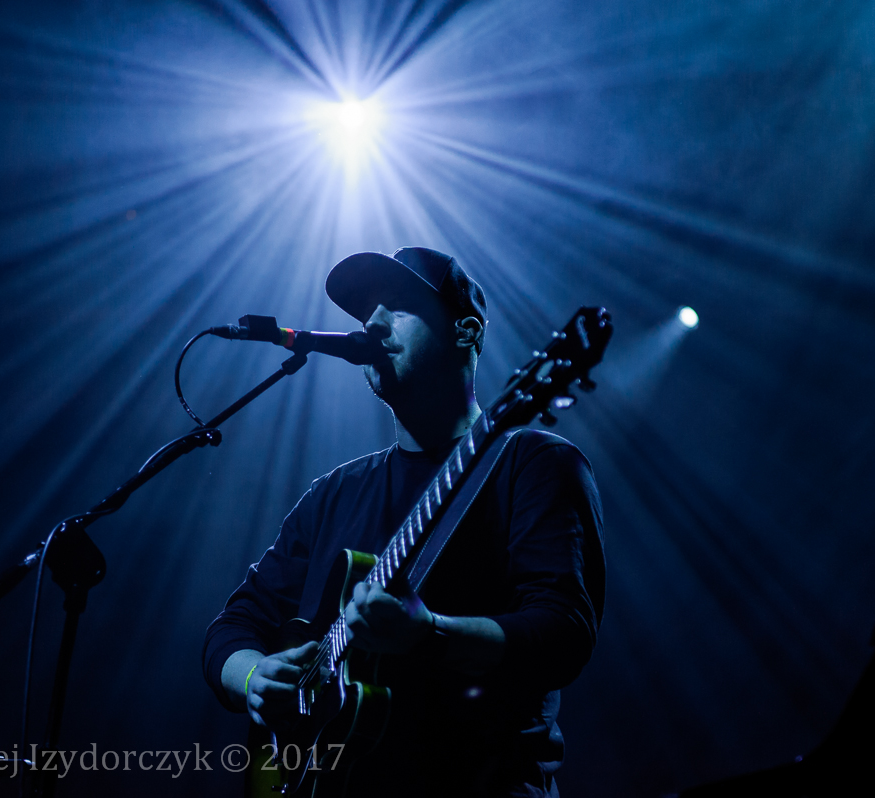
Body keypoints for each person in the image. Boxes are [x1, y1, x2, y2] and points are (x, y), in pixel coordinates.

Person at [203, 247, 605, 797]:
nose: (371, 324)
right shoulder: (333, 494)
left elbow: (564, 632)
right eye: (366, 310)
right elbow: (234, 624)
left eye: (397, 305)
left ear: (465, 332)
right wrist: (252, 676)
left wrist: (430, 633)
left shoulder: (533, 464)